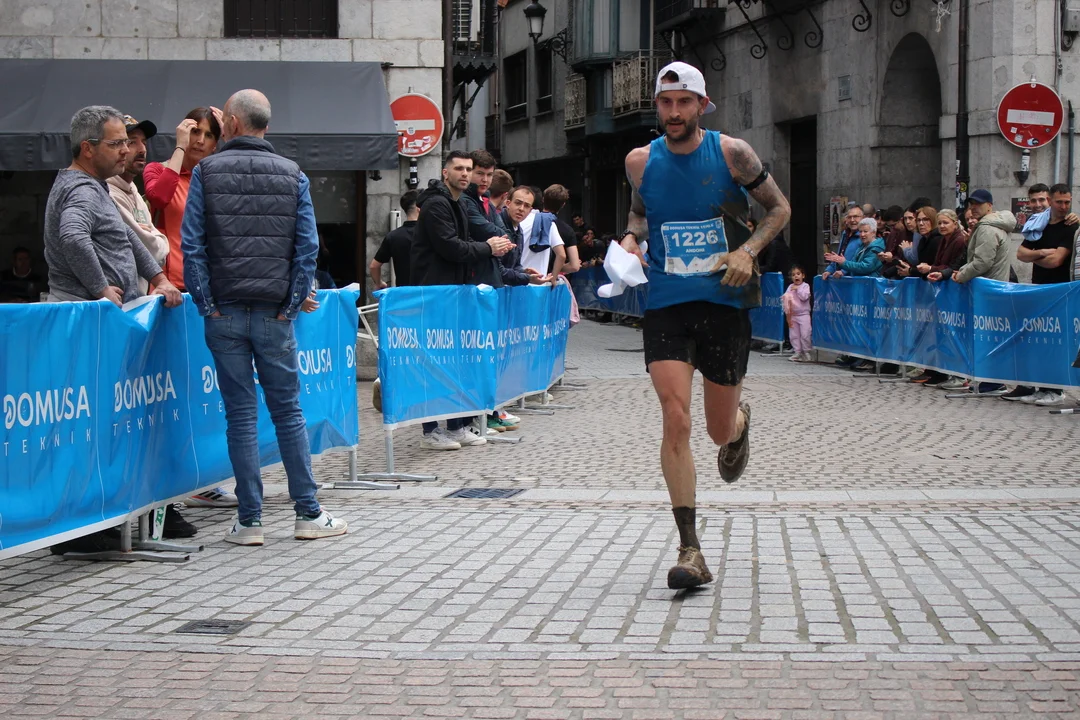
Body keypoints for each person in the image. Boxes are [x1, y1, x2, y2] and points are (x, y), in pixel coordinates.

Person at [619, 61, 791, 590]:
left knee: (716, 430)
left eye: (683, 102)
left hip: (724, 302)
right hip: (667, 302)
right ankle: (690, 549)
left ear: (701, 104)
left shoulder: (732, 153)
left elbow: (779, 209)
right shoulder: (639, 161)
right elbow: (640, 213)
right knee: (676, 418)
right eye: (666, 103)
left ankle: (738, 424)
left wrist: (748, 250)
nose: (674, 112)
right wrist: (631, 239)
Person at [181, 89, 348, 546]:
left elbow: (192, 244)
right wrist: (290, 305)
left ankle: (250, 521)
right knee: (288, 412)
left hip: (225, 311)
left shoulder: (207, 171)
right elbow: (307, 248)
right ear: (265, 126)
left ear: (232, 122)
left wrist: (206, 303)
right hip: (275, 313)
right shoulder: (293, 173)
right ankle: (307, 513)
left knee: (240, 416)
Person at [44, 105, 185, 553]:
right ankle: (79, 530)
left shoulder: (96, 187)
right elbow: (72, 237)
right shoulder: (81, 190)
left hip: (101, 327)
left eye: (127, 142)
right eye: (117, 143)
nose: (126, 150)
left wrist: (158, 278)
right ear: (88, 149)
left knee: (103, 425)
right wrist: (100, 288)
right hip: (88, 327)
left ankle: (95, 522)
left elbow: (125, 240)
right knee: (88, 427)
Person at [410, 151, 514, 450]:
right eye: (459, 168)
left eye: (469, 169)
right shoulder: (437, 204)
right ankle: (431, 431)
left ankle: (456, 426)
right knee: (435, 363)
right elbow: (451, 247)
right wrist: (488, 247)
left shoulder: (455, 202)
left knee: (454, 362)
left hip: (453, 292)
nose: (465, 174)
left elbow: (462, 246)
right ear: (446, 173)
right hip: (434, 293)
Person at [1009, 183, 1074, 406]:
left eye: (1067, 202)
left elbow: (1057, 261)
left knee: (1056, 343)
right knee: (1042, 342)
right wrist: (1042, 253)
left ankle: (1055, 390)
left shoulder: (1070, 226)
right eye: (1059, 202)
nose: (1064, 206)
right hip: (1039, 288)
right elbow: (1020, 253)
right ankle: (1042, 386)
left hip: (1061, 291)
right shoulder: (1039, 224)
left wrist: (1034, 256)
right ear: (1052, 201)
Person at [144, 107, 221, 291]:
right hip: (165, 287)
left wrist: (232, 140)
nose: (200, 140)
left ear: (215, 145)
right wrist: (180, 146)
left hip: (207, 287)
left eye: (209, 135)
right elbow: (160, 198)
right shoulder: (157, 169)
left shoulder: (218, 181)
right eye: (195, 132)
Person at [950, 189, 1016, 396]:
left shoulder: (987, 228)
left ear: (989, 205)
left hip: (989, 290)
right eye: (971, 205)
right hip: (992, 288)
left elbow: (982, 262)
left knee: (989, 337)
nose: (973, 208)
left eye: (978, 204)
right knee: (989, 337)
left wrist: (961, 275)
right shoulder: (991, 225)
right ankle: (989, 381)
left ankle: (992, 382)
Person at [107, 114, 169, 295]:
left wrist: (152, 238)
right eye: (132, 142)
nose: (142, 149)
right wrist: (153, 238)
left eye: (144, 142)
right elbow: (150, 250)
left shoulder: (134, 191)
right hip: (117, 302)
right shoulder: (108, 193)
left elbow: (159, 255)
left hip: (137, 300)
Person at [370, 190, 418, 289]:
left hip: (403, 294)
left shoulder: (393, 236)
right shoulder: (432, 234)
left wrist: (379, 283)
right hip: (429, 294)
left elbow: (374, 266)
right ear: (419, 208)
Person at [782, 265, 812, 362]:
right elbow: (786, 301)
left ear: (803, 275)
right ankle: (797, 352)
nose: (796, 276)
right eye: (793, 275)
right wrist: (788, 315)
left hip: (804, 314)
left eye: (798, 274)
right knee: (794, 335)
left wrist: (798, 289)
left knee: (805, 334)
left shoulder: (805, 286)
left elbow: (804, 297)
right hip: (793, 315)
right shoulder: (790, 287)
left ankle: (806, 351)